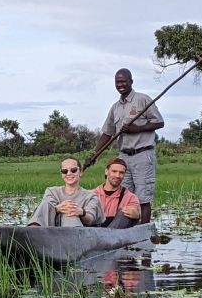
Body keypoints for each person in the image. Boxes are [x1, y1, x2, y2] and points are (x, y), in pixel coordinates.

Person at [86, 68, 164, 224]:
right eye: (117, 82)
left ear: (131, 82)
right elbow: (107, 133)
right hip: (123, 157)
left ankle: (143, 233)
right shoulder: (115, 107)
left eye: (123, 81)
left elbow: (159, 122)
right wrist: (95, 154)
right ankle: (123, 233)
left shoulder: (143, 100)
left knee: (143, 197)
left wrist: (136, 129)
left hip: (142, 155)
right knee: (124, 196)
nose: (120, 84)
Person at [28, 157, 104, 227]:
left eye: (73, 170)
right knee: (45, 204)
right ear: (61, 174)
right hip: (52, 230)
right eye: (64, 171)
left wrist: (80, 212)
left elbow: (90, 220)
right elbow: (44, 209)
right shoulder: (51, 191)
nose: (69, 173)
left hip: (81, 233)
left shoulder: (91, 196)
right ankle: (32, 231)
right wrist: (57, 209)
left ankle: (72, 237)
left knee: (70, 213)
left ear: (80, 172)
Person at [92, 157, 141, 228]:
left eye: (121, 173)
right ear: (106, 171)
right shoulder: (92, 194)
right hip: (93, 233)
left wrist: (137, 215)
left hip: (117, 235)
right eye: (114, 171)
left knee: (123, 213)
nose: (117, 176)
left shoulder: (130, 197)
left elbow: (133, 215)